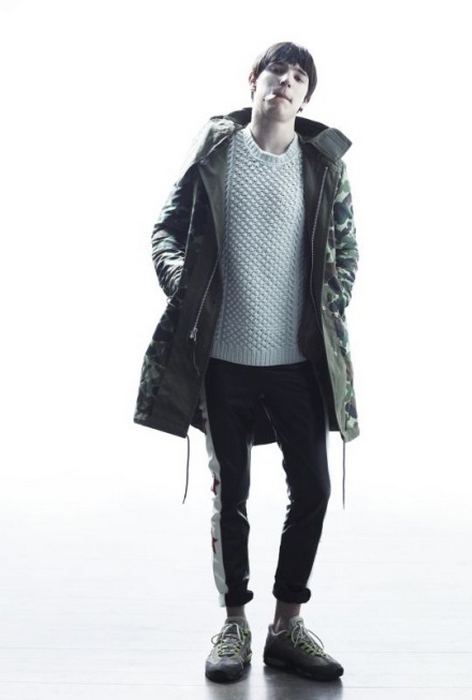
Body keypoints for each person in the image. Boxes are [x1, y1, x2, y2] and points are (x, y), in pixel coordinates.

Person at [134, 41, 359, 683]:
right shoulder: (216, 151)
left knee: (313, 489)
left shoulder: (323, 165)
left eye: (298, 77)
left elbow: (346, 250)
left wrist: (331, 302)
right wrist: (184, 286)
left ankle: (286, 626)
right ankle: (234, 623)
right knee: (230, 492)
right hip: (223, 358)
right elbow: (166, 230)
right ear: (254, 81)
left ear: (305, 97)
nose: (285, 82)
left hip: (298, 360)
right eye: (276, 71)